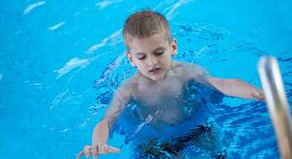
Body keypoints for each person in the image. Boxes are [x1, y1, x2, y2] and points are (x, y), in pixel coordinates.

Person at [77, 10, 264, 159]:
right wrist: (98, 143)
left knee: (219, 151)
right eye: (142, 57)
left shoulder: (187, 72)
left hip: (195, 129)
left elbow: (223, 84)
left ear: (173, 47)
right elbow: (107, 120)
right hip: (156, 142)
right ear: (131, 59)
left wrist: (257, 93)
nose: (152, 62)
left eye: (158, 52)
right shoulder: (130, 88)